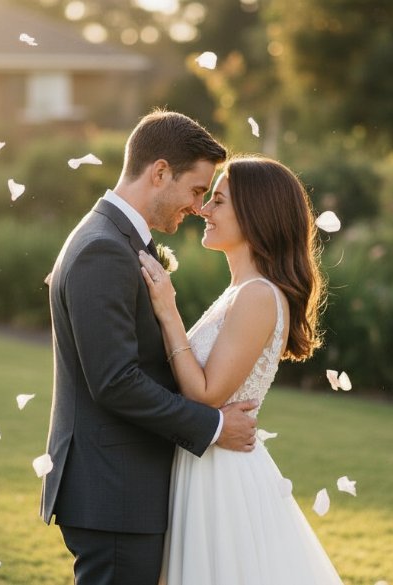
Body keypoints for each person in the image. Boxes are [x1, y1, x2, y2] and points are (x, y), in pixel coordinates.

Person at [40, 110, 260, 585]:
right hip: (114, 489)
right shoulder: (103, 249)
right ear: (160, 172)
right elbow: (115, 381)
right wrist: (214, 426)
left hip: (121, 487)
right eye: (197, 190)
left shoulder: (115, 239)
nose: (198, 207)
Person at [138, 156, 344, 584]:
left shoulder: (257, 295)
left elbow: (206, 394)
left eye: (218, 200)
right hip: (204, 461)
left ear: (255, 214)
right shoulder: (239, 291)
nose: (203, 210)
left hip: (221, 476)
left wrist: (168, 310)